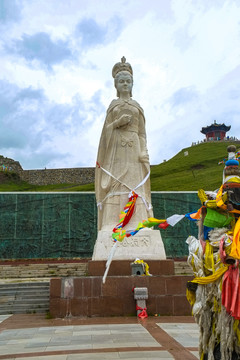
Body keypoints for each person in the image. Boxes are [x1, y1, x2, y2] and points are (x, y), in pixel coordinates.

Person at [95, 57, 153, 231]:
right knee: (117, 183)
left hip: (134, 149)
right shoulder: (113, 106)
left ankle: (138, 222)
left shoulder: (137, 106)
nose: (125, 84)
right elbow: (105, 133)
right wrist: (117, 123)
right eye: (121, 81)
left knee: (135, 183)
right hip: (116, 151)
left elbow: (142, 133)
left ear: (132, 84)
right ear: (116, 85)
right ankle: (112, 222)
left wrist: (143, 151)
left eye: (128, 81)